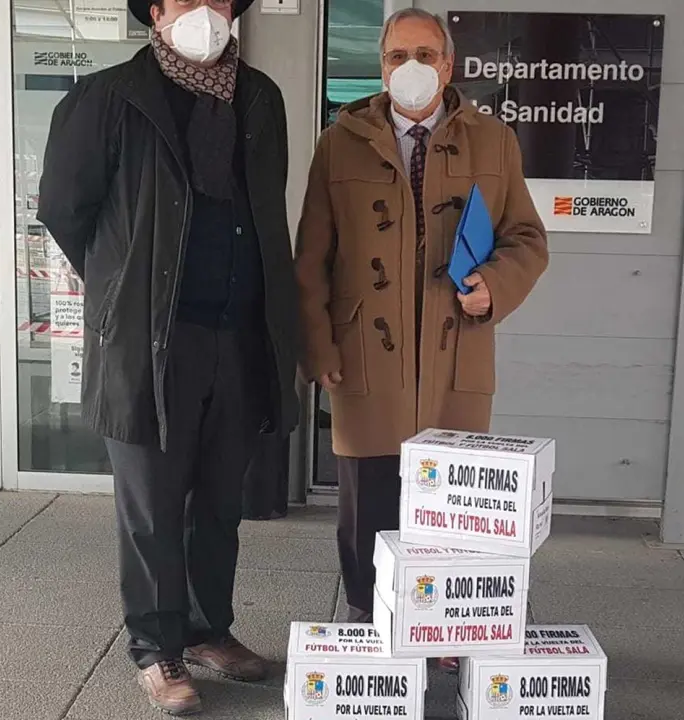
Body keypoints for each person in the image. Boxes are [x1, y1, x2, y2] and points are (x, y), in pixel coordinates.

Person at [37, 0, 299, 714]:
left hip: (238, 336)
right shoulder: (108, 99)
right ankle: (157, 649)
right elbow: (63, 208)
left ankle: (209, 631)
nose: (203, 11)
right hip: (150, 342)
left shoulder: (261, 99)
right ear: (155, 12)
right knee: (152, 506)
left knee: (218, 501)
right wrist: (125, 287)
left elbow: (266, 208)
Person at [295, 8, 549, 630]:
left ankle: (442, 626)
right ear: (382, 69)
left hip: (455, 348)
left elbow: (526, 239)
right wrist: (318, 347)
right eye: (396, 56)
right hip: (364, 349)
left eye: (425, 55)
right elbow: (311, 259)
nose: (411, 67)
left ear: (449, 65)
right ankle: (366, 614)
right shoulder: (339, 142)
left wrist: (494, 285)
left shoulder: (494, 140)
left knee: (451, 499)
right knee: (367, 494)